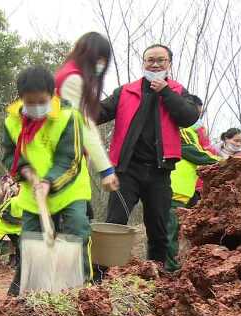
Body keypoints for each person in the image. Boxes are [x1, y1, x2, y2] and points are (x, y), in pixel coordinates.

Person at [98, 44, 200, 266]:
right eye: (150, 60)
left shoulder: (178, 91)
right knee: (114, 224)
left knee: (158, 229)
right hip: (126, 171)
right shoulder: (126, 91)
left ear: (169, 64)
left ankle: (156, 278)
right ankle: (101, 278)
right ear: (143, 63)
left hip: (159, 172)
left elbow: (188, 116)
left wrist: (165, 92)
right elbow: (100, 112)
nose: (155, 64)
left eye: (160, 60)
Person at [2, 65, 92, 293]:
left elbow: (69, 159)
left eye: (41, 101)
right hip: (33, 192)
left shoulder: (68, 117)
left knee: (77, 231)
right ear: (20, 98)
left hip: (69, 188)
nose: (35, 107)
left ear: (52, 95)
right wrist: (26, 172)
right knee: (31, 241)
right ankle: (27, 292)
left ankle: (82, 289)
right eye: (29, 103)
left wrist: (48, 182)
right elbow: (9, 155)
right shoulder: (11, 122)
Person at [55, 32, 119, 193]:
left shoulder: (66, 73)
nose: (102, 64)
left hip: (58, 154)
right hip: (62, 158)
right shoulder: (73, 79)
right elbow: (83, 126)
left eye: (104, 60)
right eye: (99, 59)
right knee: (77, 214)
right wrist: (106, 169)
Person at [166, 122, 219, 271]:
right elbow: (195, 153)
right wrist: (225, 161)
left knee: (171, 230)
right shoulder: (184, 129)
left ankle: (166, 267)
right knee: (171, 231)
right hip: (174, 190)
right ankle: (169, 269)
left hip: (178, 192)